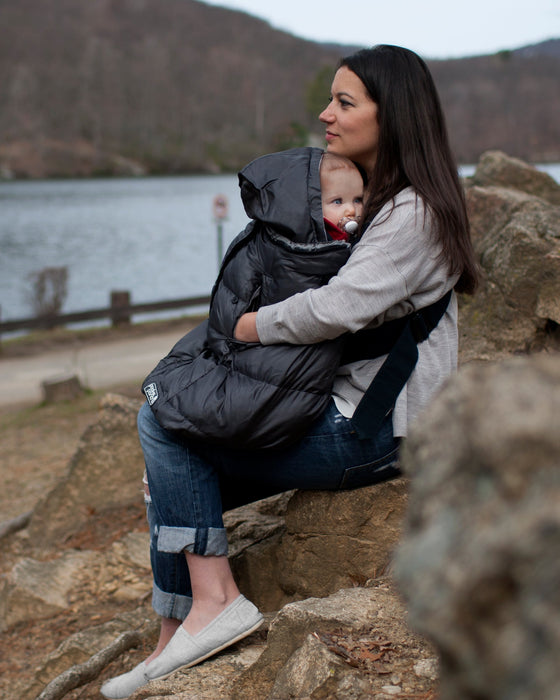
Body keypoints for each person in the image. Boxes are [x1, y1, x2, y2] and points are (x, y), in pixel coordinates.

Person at [101, 44, 478, 699]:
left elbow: (335, 309)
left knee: (165, 424)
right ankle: (172, 637)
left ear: (393, 117)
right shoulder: (387, 198)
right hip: (362, 415)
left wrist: (248, 326)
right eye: (330, 99)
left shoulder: (410, 213)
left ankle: (214, 603)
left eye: (345, 102)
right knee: (168, 467)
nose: (326, 114)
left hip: (375, 430)